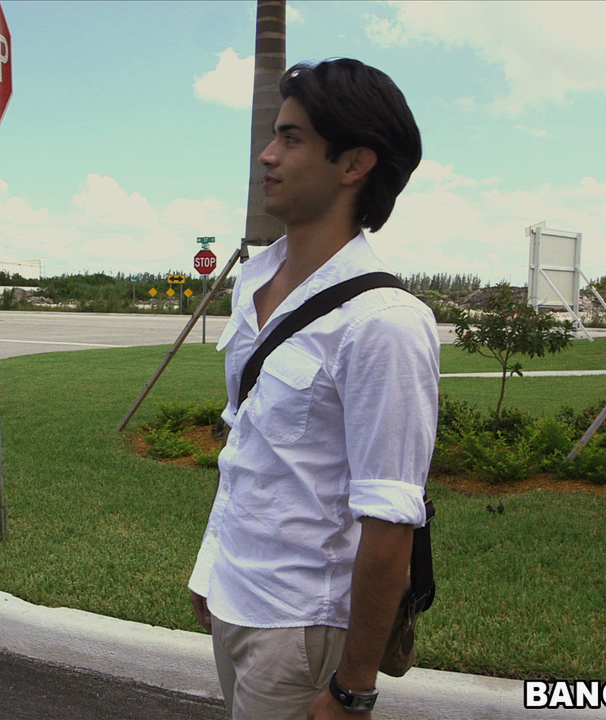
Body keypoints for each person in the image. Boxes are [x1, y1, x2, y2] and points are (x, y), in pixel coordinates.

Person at [187, 58, 440, 719]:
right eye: (275, 134)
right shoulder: (254, 283)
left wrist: (352, 689)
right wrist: (211, 563)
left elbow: (390, 519)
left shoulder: (384, 323)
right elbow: (245, 443)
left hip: (300, 626)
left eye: (292, 138)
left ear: (354, 163)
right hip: (235, 599)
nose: (267, 155)